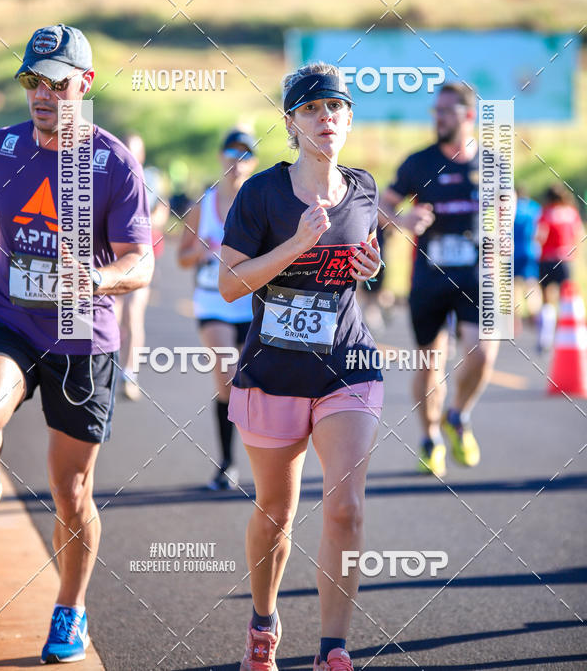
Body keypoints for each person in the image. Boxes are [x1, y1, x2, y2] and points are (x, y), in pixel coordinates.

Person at [0, 24, 153, 663]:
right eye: (33, 81)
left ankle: (71, 607)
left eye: (57, 83)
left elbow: (141, 260)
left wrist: (97, 278)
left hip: (82, 335)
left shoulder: (113, 162)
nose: (43, 94)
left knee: (72, 492)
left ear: (85, 84)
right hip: (8, 317)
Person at [219, 63, 383, 671]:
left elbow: (363, 261)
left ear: (349, 119)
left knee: (345, 507)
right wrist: (294, 245)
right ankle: (263, 622)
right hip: (274, 374)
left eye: (335, 107)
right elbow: (230, 284)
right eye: (311, 109)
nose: (325, 118)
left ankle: (332, 648)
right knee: (275, 514)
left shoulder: (363, 188)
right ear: (291, 123)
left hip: (348, 364)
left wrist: (372, 269)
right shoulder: (261, 193)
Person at [380, 83, 499, 477]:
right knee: (430, 364)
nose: (439, 118)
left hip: (476, 277)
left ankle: (457, 416)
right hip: (430, 278)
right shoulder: (418, 163)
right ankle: (430, 438)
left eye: (447, 111)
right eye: (436, 111)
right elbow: (382, 206)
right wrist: (404, 219)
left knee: (483, 354)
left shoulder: (492, 164)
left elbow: (505, 215)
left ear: (468, 115)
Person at [178, 128, 257, 489]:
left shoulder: (258, 204)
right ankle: (227, 462)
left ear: (253, 162)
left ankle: (262, 461)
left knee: (251, 385)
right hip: (213, 302)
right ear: (221, 157)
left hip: (251, 305)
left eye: (245, 155)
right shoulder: (203, 205)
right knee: (227, 376)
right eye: (231, 153)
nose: (237, 162)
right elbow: (182, 258)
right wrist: (202, 249)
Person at [115, 132, 169, 400]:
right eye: (125, 148)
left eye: (135, 150)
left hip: (140, 258)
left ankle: (129, 375)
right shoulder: (109, 175)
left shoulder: (152, 179)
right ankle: (107, 368)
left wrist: (141, 222)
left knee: (133, 313)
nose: (130, 154)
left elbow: (162, 213)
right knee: (112, 316)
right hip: (111, 259)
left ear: (142, 154)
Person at [535, 184, 583, 351]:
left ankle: (545, 338)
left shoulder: (546, 213)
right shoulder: (571, 213)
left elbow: (540, 236)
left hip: (547, 259)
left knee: (547, 299)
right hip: (565, 260)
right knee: (566, 298)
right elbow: (578, 234)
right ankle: (567, 335)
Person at [513, 185, 542, 334]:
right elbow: (540, 230)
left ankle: (516, 320)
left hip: (512, 251)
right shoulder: (534, 208)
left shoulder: (510, 208)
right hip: (531, 250)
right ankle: (535, 315)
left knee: (514, 286)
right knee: (531, 283)